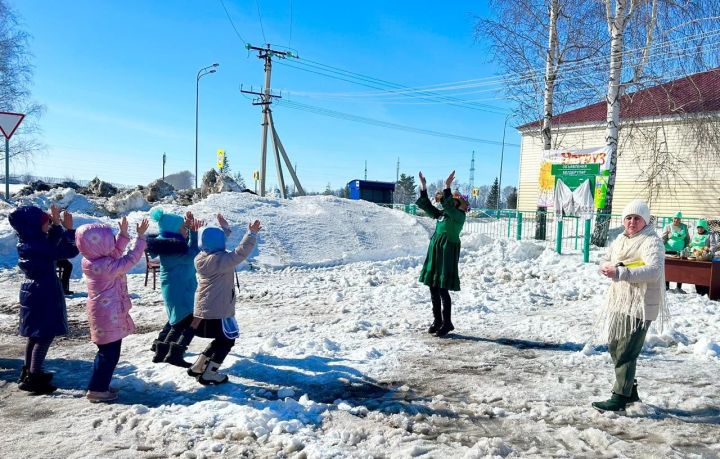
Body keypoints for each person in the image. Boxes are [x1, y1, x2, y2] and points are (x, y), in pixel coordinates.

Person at [593, 200, 668, 412]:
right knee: (614, 345)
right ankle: (630, 389)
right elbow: (607, 258)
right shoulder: (620, 239)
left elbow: (654, 271)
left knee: (626, 351)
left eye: (637, 218)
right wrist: (606, 267)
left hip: (641, 304)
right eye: (628, 218)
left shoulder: (652, 241)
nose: (632, 222)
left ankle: (620, 396)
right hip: (620, 300)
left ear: (645, 220)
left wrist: (622, 272)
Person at [76, 217, 150, 403]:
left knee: (106, 352)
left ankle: (99, 385)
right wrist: (140, 238)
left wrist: (123, 235)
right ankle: (97, 390)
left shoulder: (93, 260)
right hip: (108, 314)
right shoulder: (105, 266)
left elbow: (115, 253)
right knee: (109, 354)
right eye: (108, 241)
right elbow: (130, 259)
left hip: (104, 312)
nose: (112, 245)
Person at [8, 204, 78, 394]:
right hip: (43, 292)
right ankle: (34, 375)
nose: (48, 227)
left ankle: (28, 371)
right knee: (45, 334)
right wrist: (67, 229)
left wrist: (55, 225)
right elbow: (68, 251)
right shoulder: (37, 245)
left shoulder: (28, 242)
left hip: (34, 290)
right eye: (45, 223)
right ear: (32, 226)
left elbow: (54, 245)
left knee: (35, 334)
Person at [185, 218, 261, 385]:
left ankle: (198, 367)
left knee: (220, 340)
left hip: (205, 307)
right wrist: (251, 233)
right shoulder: (221, 261)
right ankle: (209, 373)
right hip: (218, 309)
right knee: (226, 341)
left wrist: (224, 229)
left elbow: (213, 243)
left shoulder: (201, 257)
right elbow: (240, 252)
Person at [146, 208, 203, 367]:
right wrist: (194, 233)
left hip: (179, 288)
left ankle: (160, 351)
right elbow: (193, 255)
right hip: (179, 290)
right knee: (182, 322)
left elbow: (189, 251)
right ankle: (173, 354)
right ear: (173, 229)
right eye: (182, 227)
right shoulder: (173, 248)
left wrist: (190, 230)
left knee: (177, 321)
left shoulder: (171, 244)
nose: (185, 229)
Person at [415, 170, 468, 338]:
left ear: (460, 205)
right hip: (436, 252)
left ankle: (447, 323)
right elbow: (428, 207)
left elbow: (448, 206)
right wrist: (424, 187)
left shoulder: (458, 216)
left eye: (455, 200)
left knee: (443, 289)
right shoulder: (444, 215)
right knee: (433, 287)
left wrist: (447, 187)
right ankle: (437, 320)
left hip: (446, 253)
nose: (451, 202)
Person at [661, 211, 690, 293]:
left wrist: (686, 247)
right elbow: (663, 238)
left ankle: (678, 287)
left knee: (680, 269)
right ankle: (667, 286)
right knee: (668, 268)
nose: (676, 220)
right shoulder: (668, 226)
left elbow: (687, 238)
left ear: (680, 219)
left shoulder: (684, 227)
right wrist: (660, 246)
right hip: (669, 251)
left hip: (680, 251)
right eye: (675, 218)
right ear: (673, 218)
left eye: (678, 219)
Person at [689, 219, 711, 296]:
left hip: (705, 258)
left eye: (701, 227)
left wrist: (707, 251)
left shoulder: (708, 235)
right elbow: (691, 244)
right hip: (694, 257)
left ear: (704, 227)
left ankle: (705, 290)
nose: (700, 229)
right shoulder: (695, 235)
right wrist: (691, 248)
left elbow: (711, 246)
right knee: (696, 273)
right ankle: (698, 290)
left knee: (704, 274)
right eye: (698, 227)